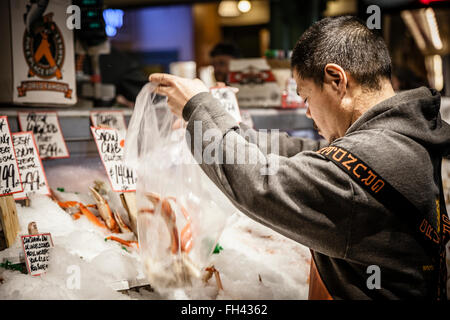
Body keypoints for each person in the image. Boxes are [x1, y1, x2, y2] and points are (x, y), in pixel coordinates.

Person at [149, 16, 450, 299]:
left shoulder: (371, 163)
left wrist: (199, 108)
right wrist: (219, 123)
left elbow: (258, 185)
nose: (307, 111)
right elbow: (308, 154)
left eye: (306, 97)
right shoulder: (404, 136)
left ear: (336, 80)